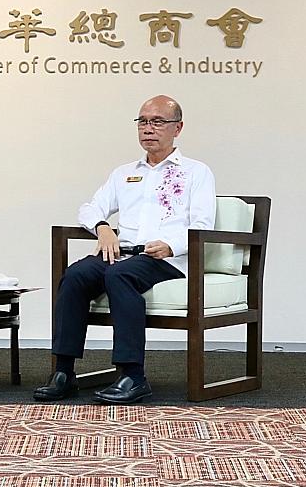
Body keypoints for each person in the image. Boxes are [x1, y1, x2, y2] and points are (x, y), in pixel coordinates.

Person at [34, 94, 216, 404]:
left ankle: (133, 375)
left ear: (178, 128)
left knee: (120, 275)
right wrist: (103, 228)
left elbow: (203, 224)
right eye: (143, 122)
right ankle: (63, 372)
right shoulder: (123, 174)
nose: (149, 129)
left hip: (166, 258)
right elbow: (90, 208)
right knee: (76, 275)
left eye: (158, 121)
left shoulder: (196, 172)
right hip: (122, 254)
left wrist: (171, 246)